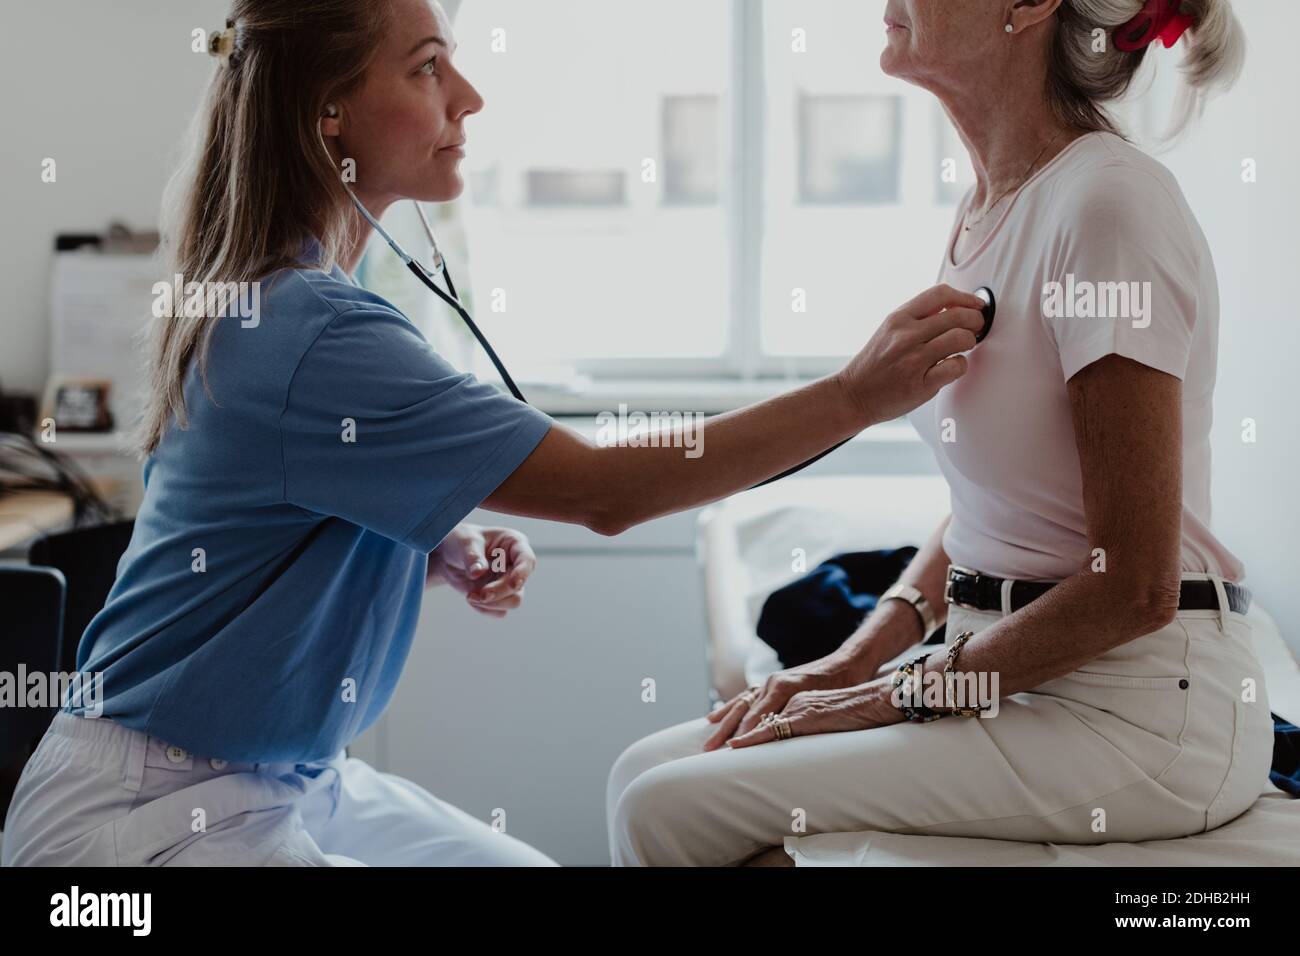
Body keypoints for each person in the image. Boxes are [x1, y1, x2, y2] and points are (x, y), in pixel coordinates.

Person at [0, 0, 984, 867]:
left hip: (284, 777)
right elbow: (606, 490)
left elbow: (277, 517)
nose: (466, 97)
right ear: (325, 114)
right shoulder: (315, 330)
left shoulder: (297, 304)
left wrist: (433, 542)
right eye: (427, 66)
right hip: (147, 815)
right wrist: (856, 394)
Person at [607, 0, 1270, 867]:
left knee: (666, 807)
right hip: (1016, 677)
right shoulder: (986, 211)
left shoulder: (1108, 206)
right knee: (641, 770)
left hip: (1138, 712)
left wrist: (894, 697)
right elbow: (991, 513)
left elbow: (1135, 585)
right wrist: (851, 662)